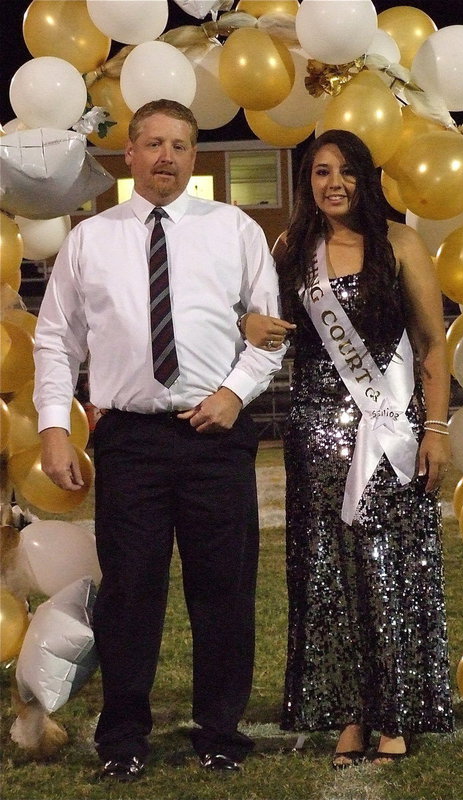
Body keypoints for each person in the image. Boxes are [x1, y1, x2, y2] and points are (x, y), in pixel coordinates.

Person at [33, 99, 286, 781]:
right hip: (130, 442)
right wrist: (55, 428)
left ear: (194, 155)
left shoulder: (234, 229)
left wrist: (234, 394)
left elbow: (270, 331)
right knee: (131, 591)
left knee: (223, 592)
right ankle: (122, 737)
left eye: (179, 145)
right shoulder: (90, 238)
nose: (165, 157)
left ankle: (220, 732)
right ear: (130, 154)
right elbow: (56, 340)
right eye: (152, 143)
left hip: (217, 436)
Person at [242, 129, 454, 767]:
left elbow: (431, 345)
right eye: (319, 172)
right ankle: (350, 713)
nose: (332, 183)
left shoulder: (401, 243)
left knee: (388, 569)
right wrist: (246, 321)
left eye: (346, 172)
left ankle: (397, 713)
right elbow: (266, 327)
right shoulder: (291, 248)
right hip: (315, 436)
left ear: (366, 179)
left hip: (389, 430)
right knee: (329, 575)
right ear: (307, 183)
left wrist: (438, 431)